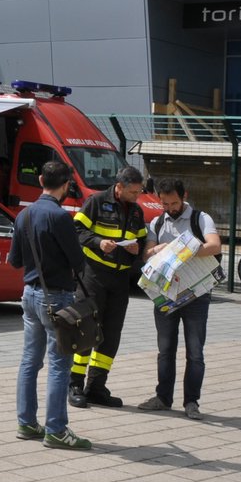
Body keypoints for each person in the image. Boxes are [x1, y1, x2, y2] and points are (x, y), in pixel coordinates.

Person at [8, 159, 92, 451]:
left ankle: (27, 423)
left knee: (30, 361)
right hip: (56, 297)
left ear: (41, 180)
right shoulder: (60, 217)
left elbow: (14, 260)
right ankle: (56, 429)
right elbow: (77, 261)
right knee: (59, 365)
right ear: (67, 185)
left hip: (29, 294)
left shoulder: (24, 215)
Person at [139, 176, 221, 420]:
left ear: (184, 197)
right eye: (164, 204)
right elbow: (147, 254)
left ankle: (191, 401)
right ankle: (163, 397)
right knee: (165, 350)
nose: (169, 209)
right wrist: (157, 250)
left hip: (196, 294)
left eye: (173, 203)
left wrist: (184, 249)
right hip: (166, 295)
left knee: (195, 352)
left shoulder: (201, 218)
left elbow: (215, 246)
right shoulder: (157, 222)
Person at [69, 165, 148, 408]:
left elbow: (142, 239)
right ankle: (74, 384)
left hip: (120, 280)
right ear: (120, 186)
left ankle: (97, 386)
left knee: (111, 335)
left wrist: (137, 249)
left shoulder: (136, 211)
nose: (137, 197)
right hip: (94, 275)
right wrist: (98, 242)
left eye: (139, 192)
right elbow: (77, 229)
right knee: (86, 329)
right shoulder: (96, 201)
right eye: (133, 192)